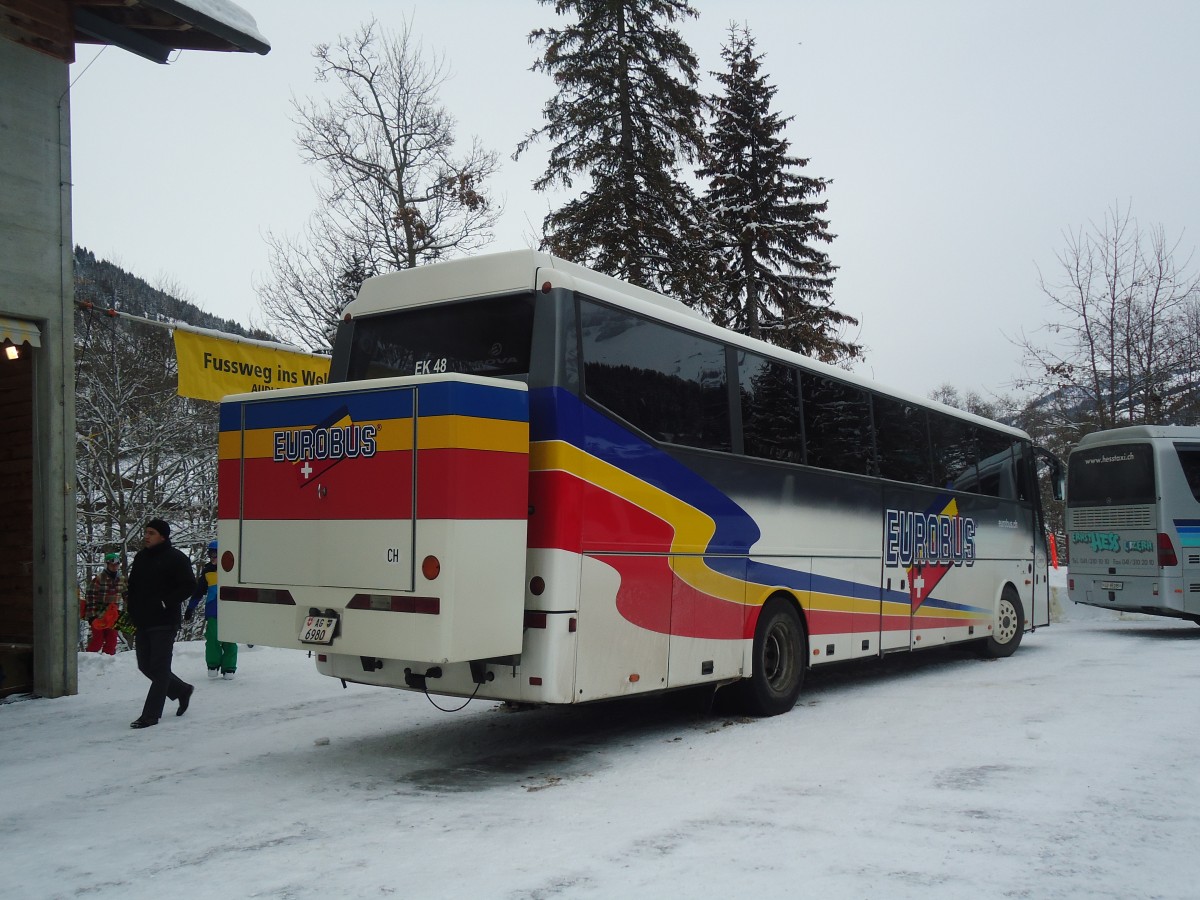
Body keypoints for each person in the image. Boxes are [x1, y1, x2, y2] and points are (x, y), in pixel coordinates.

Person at [126, 517, 196, 729]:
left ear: (163, 537)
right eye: (146, 532)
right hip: (143, 620)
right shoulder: (140, 558)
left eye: (152, 533)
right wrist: (130, 609)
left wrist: (166, 601)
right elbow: (134, 587)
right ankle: (182, 690)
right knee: (145, 666)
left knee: (160, 667)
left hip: (164, 621)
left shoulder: (176, 558)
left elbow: (189, 586)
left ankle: (150, 715)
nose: (146, 536)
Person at [186, 540, 237, 679]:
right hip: (213, 610)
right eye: (210, 554)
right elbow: (199, 591)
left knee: (230, 639)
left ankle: (229, 667)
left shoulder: (234, 570)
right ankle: (213, 664)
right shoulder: (208, 571)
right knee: (213, 638)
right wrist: (190, 607)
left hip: (231, 610)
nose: (212, 557)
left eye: (215, 554)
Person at [83, 551, 127, 655]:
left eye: (117, 564)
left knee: (112, 642)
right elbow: (90, 598)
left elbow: (126, 594)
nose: (114, 567)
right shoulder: (98, 579)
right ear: (106, 565)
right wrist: (91, 616)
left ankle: (108, 664)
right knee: (97, 641)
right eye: (112, 564)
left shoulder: (121, 579)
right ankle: (87, 661)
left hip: (113, 614)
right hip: (99, 613)